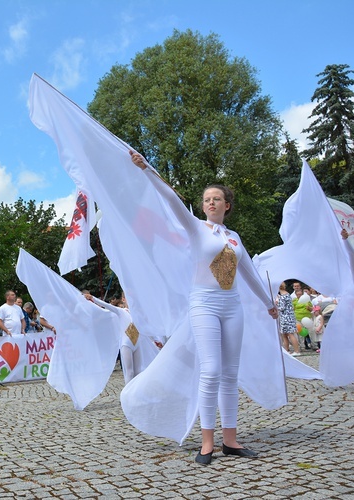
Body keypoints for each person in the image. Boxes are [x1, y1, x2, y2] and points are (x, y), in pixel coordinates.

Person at [130, 151, 278, 465]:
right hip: (204, 304)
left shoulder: (235, 238)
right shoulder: (196, 228)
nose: (210, 202)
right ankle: (207, 442)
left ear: (227, 205)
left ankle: (231, 440)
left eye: (216, 199)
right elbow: (171, 200)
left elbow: (249, 272)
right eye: (206, 199)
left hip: (232, 306)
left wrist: (269, 304)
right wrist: (148, 169)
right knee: (210, 370)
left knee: (229, 373)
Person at [277, 282, 301, 356]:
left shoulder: (283, 296)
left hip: (286, 317)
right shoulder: (286, 294)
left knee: (290, 334)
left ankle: (296, 351)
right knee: (284, 334)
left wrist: (276, 304)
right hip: (286, 316)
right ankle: (286, 350)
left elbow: (282, 307)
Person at [291, 281, 314, 350]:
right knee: (300, 332)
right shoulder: (294, 301)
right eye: (298, 295)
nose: (299, 296)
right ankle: (302, 346)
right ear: (296, 295)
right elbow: (292, 309)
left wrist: (309, 308)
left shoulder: (307, 300)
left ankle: (314, 345)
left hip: (307, 317)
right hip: (298, 318)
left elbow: (312, 308)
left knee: (311, 331)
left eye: (300, 295)